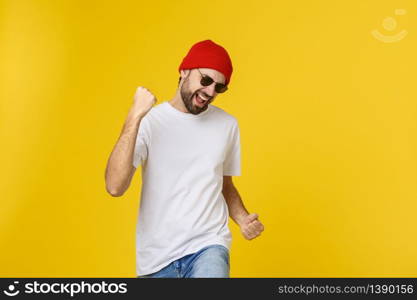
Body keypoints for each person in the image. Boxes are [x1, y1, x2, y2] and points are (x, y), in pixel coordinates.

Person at [105, 39, 264, 278]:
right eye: (206, 80)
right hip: (156, 259)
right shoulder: (150, 122)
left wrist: (242, 218)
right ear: (184, 71)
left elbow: (224, 183)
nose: (210, 92)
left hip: (208, 245)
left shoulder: (227, 125)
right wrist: (134, 116)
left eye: (219, 87)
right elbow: (115, 186)